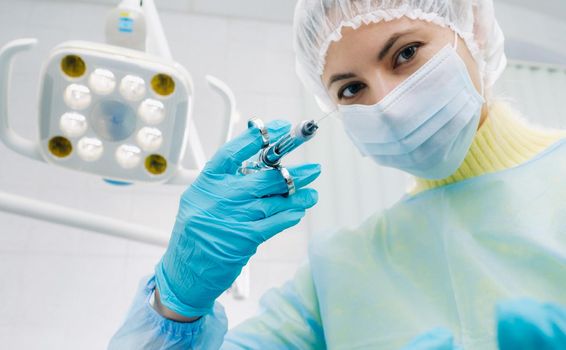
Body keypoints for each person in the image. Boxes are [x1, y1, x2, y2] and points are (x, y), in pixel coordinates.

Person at [109, 0, 566, 348]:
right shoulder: (336, 275)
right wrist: (176, 304)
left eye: (406, 53)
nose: (385, 101)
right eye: (351, 88)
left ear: (476, 31)